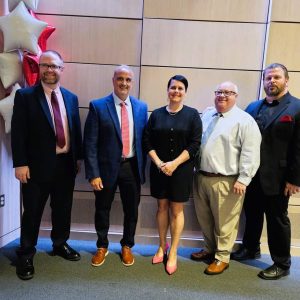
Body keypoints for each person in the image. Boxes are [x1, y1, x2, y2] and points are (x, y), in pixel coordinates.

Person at [11, 50, 83, 280]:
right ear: (39, 68)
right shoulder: (25, 96)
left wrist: (77, 159)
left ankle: (59, 244)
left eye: (54, 66)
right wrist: (20, 163)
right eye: (45, 65)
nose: (50, 70)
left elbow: (75, 130)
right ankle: (26, 253)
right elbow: (19, 134)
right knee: (32, 212)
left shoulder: (71, 98)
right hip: (36, 167)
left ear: (62, 69)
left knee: (62, 209)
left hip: (65, 165)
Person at [231, 63, 300, 279]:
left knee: (277, 219)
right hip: (252, 175)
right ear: (263, 82)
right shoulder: (252, 107)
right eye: (268, 78)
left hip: (279, 178)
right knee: (252, 214)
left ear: (286, 80)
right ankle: (250, 248)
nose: (272, 81)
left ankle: (282, 262)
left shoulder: (297, 108)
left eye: (277, 77)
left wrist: (294, 179)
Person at [191, 81, 261, 275]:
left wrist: (244, 179)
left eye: (228, 92)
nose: (222, 95)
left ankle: (222, 257)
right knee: (204, 219)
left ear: (235, 96)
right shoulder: (207, 115)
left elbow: (251, 153)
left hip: (228, 181)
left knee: (225, 222)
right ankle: (209, 249)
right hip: (202, 177)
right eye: (219, 92)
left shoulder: (244, 121)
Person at [84, 65, 148, 267]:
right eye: (120, 78)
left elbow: (143, 140)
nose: (124, 83)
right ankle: (102, 246)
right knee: (102, 208)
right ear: (113, 80)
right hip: (105, 170)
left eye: (128, 79)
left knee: (132, 210)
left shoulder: (141, 107)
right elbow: (90, 143)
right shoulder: (98, 106)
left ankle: (127, 245)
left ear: (132, 82)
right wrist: (93, 173)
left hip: (131, 167)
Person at [143, 75, 202, 275]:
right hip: (159, 169)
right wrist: (160, 163)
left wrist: (174, 164)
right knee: (161, 207)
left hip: (182, 170)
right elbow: (146, 141)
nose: (176, 91)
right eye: (173, 87)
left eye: (180, 88)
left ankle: (174, 250)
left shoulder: (193, 115)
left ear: (185, 92)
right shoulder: (157, 114)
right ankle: (162, 246)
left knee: (177, 210)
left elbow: (195, 144)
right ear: (167, 90)